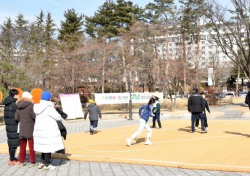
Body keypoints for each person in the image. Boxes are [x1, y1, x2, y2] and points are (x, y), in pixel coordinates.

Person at [33, 91, 64, 170]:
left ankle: (42, 162)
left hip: (40, 130)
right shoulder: (49, 107)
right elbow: (58, 117)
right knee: (48, 147)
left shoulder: (37, 107)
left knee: (44, 147)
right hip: (48, 130)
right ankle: (47, 164)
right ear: (49, 98)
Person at [14, 92, 36, 166]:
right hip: (30, 128)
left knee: (22, 146)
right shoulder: (31, 106)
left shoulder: (18, 106)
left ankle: (22, 160)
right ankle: (32, 161)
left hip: (22, 128)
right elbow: (34, 116)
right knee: (32, 146)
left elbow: (16, 118)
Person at [3, 89, 20, 165]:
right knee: (14, 143)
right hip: (14, 126)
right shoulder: (14, 104)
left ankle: (12, 158)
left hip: (9, 126)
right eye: (18, 94)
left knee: (11, 143)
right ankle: (12, 159)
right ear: (15, 95)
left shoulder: (7, 103)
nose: (19, 96)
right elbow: (17, 116)